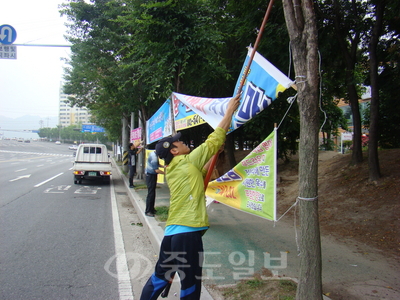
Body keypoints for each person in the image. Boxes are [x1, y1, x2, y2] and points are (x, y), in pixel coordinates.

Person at [140, 94, 241, 300]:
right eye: (179, 143)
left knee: (160, 277)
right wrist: (229, 110)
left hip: (172, 235)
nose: (183, 143)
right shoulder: (186, 162)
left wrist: (214, 154)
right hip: (187, 235)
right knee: (190, 285)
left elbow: (202, 173)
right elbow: (213, 140)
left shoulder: (176, 168)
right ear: (175, 151)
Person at [145, 150, 165, 217]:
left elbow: (157, 164)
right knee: (151, 193)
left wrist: (164, 166)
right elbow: (156, 170)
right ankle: (148, 211)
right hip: (150, 176)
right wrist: (166, 173)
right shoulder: (154, 157)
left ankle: (152, 209)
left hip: (152, 175)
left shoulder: (154, 154)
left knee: (153, 193)